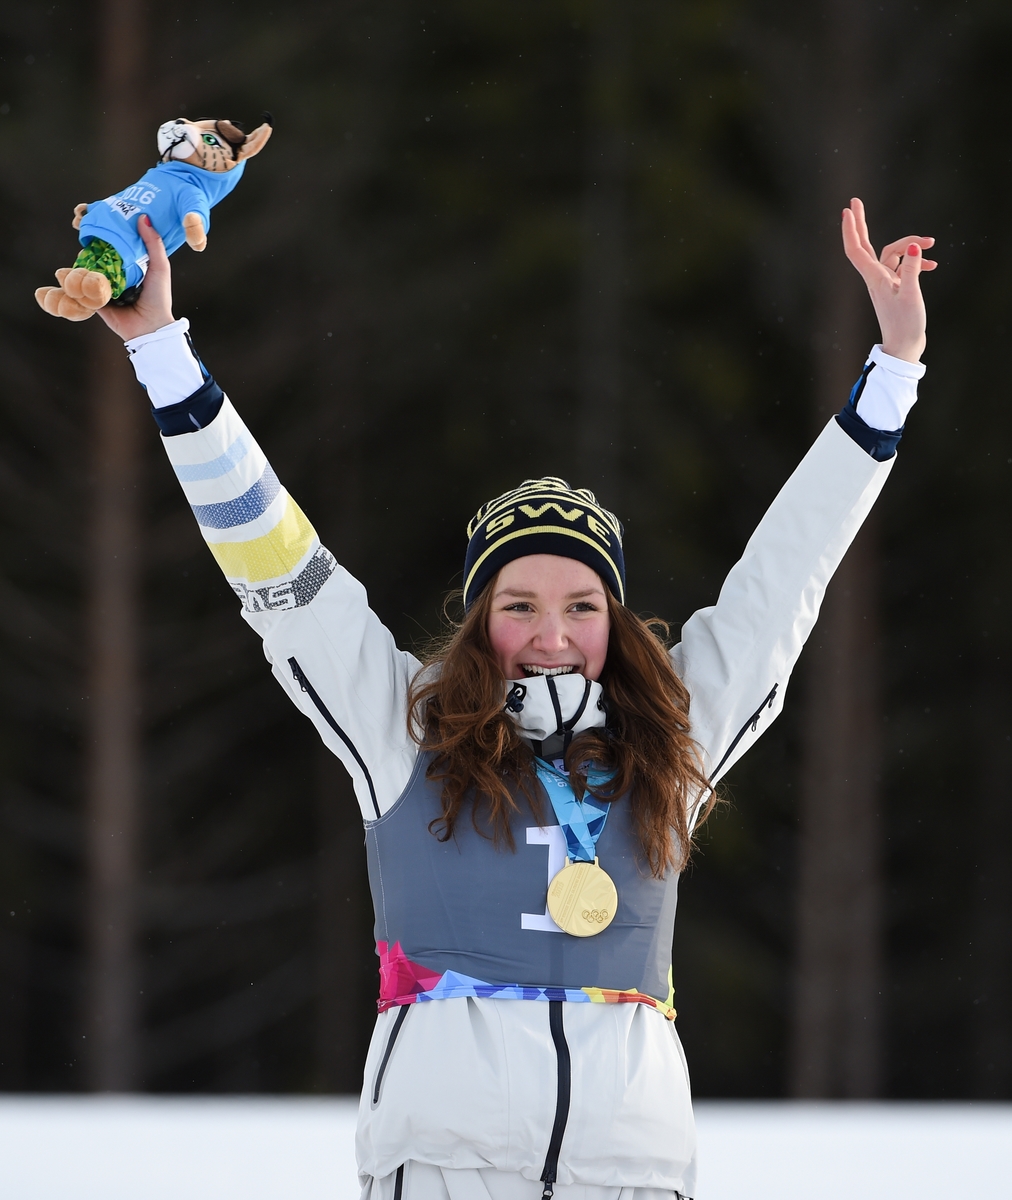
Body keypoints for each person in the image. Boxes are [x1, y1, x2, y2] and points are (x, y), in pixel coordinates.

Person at [99, 199, 934, 1200]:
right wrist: (164, 359)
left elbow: (786, 572)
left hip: (631, 1171)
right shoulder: (402, 732)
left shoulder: (674, 740)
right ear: (478, 616)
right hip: (442, 1169)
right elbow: (272, 555)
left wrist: (889, 372)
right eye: (520, 604)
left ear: (615, 622)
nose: (551, 634)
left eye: (582, 606)